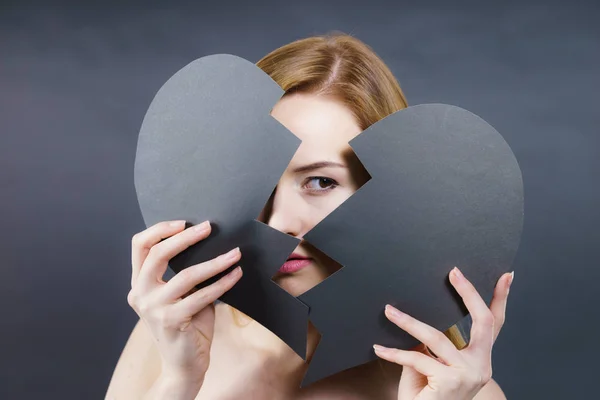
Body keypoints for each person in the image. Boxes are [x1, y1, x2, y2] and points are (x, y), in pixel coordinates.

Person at [106, 32, 513, 399]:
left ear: (390, 193)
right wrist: (178, 383)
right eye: (257, 183)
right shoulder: (171, 336)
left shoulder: (456, 390)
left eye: (320, 182)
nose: (278, 221)